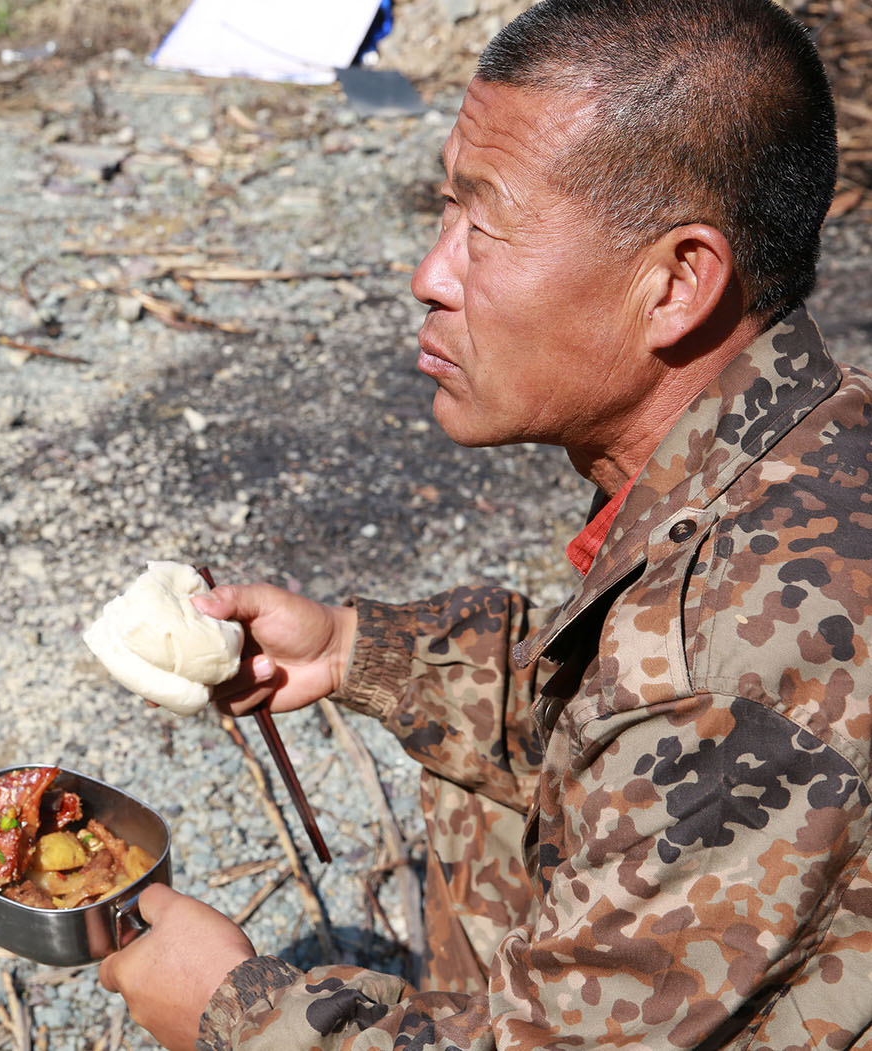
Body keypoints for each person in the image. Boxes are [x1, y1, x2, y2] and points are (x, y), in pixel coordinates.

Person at [99, 1, 872, 1048]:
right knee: (481, 790)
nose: (430, 274)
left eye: (484, 226)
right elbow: (598, 708)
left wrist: (235, 1010)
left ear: (678, 282)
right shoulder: (808, 429)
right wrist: (352, 650)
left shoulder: (739, 654)